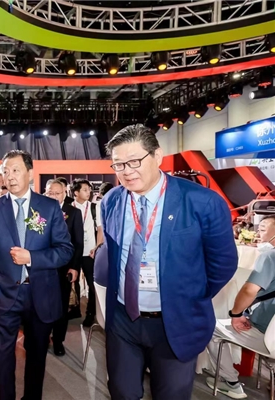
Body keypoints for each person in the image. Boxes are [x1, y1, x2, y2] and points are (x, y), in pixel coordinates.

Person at [101, 124, 237, 399]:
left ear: (157, 155)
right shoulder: (111, 201)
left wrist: (188, 296)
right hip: (124, 320)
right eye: (119, 165)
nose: (127, 171)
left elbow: (222, 263)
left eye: (134, 161)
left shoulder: (202, 201)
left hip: (175, 322)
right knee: (122, 393)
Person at [0, 150, 74, 400]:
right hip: (3, 294)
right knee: (2, 357)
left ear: (30, 173)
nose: (9, 176)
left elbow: (65, 250)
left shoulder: (49, 207)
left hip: (41, 293)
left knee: (37, 356)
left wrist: (32, 257)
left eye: (15, 170)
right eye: (5, 171)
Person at [205, 215, 275, 398]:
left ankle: (231, 382)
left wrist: (235, 314)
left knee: (209, 327)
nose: (258, 231)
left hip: (266, 333)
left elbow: (249, 290)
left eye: (264, 227)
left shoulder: (270, 256)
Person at [45, 179, 84, 356]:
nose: (53, 196)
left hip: (64, 267)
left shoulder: (73, 212)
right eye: (50, 193)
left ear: (64, 193)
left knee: (61, 305)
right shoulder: (39, 210)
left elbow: (78, 242)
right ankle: (43, 336)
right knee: (43, 303)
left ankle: (58, 340)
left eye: (57, 193)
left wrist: (75, 267)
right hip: (43, 266)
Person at [71, 179, 98, 327]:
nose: (88, 192)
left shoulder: (94, 207)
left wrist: (97, 246)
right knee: (72, 282)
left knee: (92, 285)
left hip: (90, 252)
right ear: (76, 192)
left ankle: (90, 313)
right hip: (74, 252)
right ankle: (74, 309)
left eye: (89, 190)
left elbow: (100, 229)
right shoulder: (70, 208)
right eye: (85, 190)